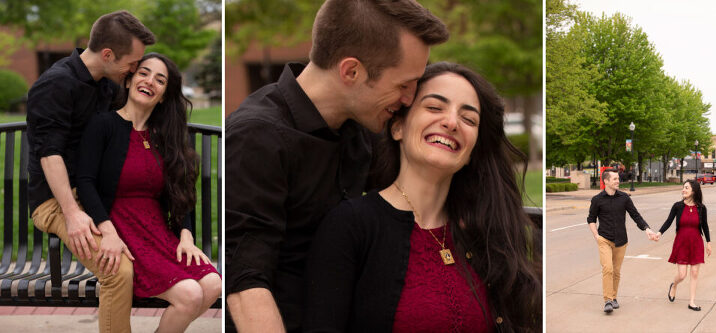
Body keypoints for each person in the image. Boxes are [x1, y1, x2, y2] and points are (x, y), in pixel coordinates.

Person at [224, 0, 449, 331]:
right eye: (403, 84)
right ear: (351, 71)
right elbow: (246, 282)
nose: (408, 99)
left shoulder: (363, 125)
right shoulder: (257, 135)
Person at [304, 62, 542, 332]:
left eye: (469, 119)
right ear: (398, 128)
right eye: (434, 107)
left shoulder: (484, 232)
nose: (452, 122)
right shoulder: (351, 226)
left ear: (472, 151)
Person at [26, 10, 155, 332]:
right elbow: (49, 152)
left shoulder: (105, 86)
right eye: (132, 63)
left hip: (92, 194)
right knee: (117, 270)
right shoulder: (56, 85)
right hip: (57, 200)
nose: (135, 69)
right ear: (108, 54)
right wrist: (72, 214)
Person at [76, 53, 221, 332]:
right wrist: (106, 230)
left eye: (160, 79)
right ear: (129, 81)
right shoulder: (103, 125)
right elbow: (85, 182)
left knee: (213, 284)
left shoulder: (164, 136)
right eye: (144, 73)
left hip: (156, 230)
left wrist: (186, 235)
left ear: (165, 95)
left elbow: (180, 191)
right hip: (119, 228)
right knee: (190, 294)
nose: (149, 81)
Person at [587, 169, 659, 313]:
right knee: (608, 268)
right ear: (606, 181)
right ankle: (607, 300)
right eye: (614, 179)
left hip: (621, 240)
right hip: (604, 239)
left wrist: (647, 229)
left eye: (618, 178)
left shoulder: (624, 198)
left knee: (616, 271)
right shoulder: (597, 199)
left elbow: (635, 215)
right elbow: (591, 219)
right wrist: (596, 236)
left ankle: (614, 297)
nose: (617, 181)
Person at [656, 180, 712, 311]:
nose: (683, 190)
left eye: (686, 188)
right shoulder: (678, 206)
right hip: (681, 242)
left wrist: (708, 243)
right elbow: (669, 221)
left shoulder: (701, 208)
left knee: (694, 273)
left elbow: (705, 226)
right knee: (682, 275)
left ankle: (692, 302)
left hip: (696, 242)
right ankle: (674, 285)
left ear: (694, 191)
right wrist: (659, 233)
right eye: (683, 187)